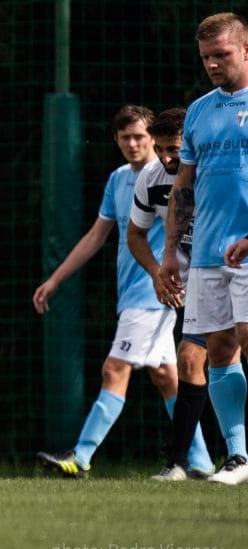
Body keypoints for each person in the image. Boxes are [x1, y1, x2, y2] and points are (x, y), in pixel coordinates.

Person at [33, 105, 207, 479]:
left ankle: (80, 457)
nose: (133, 143)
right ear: (115, 140)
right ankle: (200, 461)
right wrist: (56, 278)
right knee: (166, 377)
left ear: (153, 138)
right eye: (125, 137)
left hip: (155, 291)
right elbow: (98, 235)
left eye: (140, 136)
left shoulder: (171, 178)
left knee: (115, 368)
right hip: (129, 292)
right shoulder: (118, 180)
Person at [160, 12, 248, 486]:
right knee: (218, 349)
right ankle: (239, 458)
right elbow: (184, 188)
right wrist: (172, 252)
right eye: (206, 58)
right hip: (209, 255)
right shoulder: (198, 110)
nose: (213, 64)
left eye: (222, 55)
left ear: (245, 50)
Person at [125, 107, 214, 480]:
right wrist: (157, 275)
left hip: (235, 273)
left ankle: (233, 454)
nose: (166, 157)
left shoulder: (215, 170)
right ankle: (178, 464)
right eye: (160, 148)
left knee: (230, 359)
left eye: (173, 148)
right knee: (190, 359)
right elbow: (135, 234)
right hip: (197, 284)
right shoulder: (151, 176)